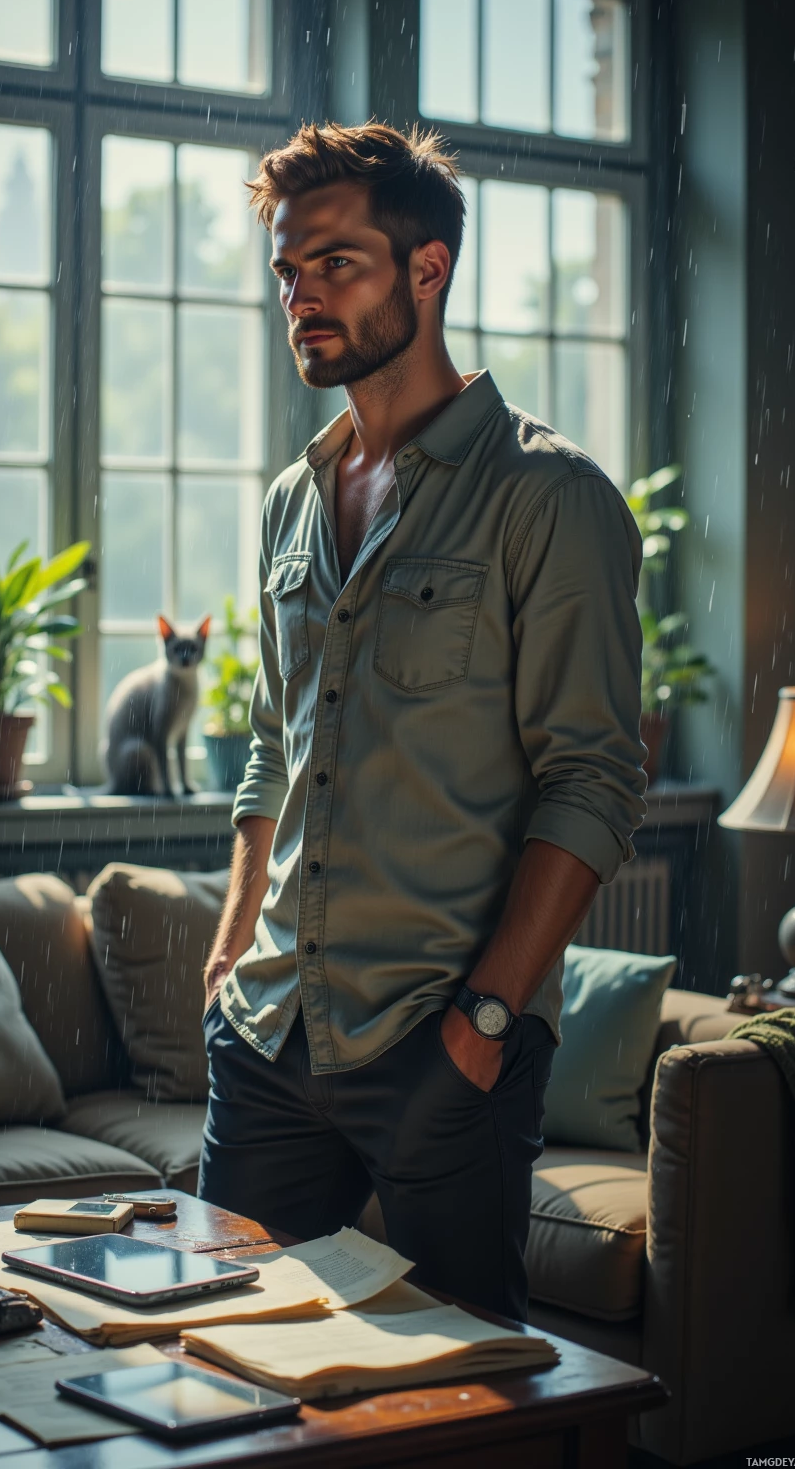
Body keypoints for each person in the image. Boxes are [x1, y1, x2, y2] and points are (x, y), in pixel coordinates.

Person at [198, 121, 647, 1320]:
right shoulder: (294, 499)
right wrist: (233, 946)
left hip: (442, 1042)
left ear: (427, 269)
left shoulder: (549, 499)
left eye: (335, 263)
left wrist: (484, 1022)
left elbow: (592, 782)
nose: (300, 297)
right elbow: (269, 747)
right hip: (270, 1037)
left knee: (459, 1406)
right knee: (215, 1368)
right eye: (287, 272)